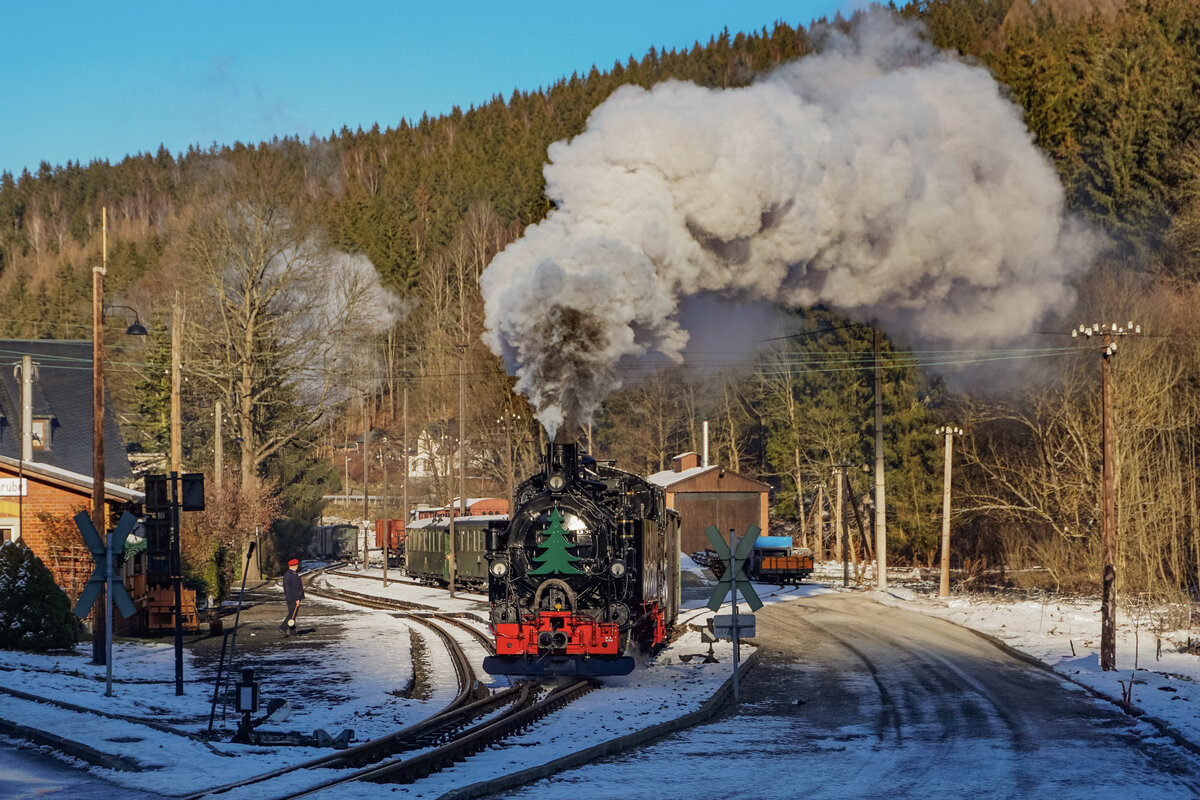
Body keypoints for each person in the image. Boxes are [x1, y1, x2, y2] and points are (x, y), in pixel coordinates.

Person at [279, 558, 304, 636]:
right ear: (293, 566)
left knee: (293, 614)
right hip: (293, 598)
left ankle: (293, 632)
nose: (297, 567)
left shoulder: (290, 574)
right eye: (296, 565)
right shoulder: (291, 575)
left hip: (291, 597)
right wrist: (297, 598)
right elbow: (294, 589)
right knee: (292, 614)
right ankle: (283, 628)